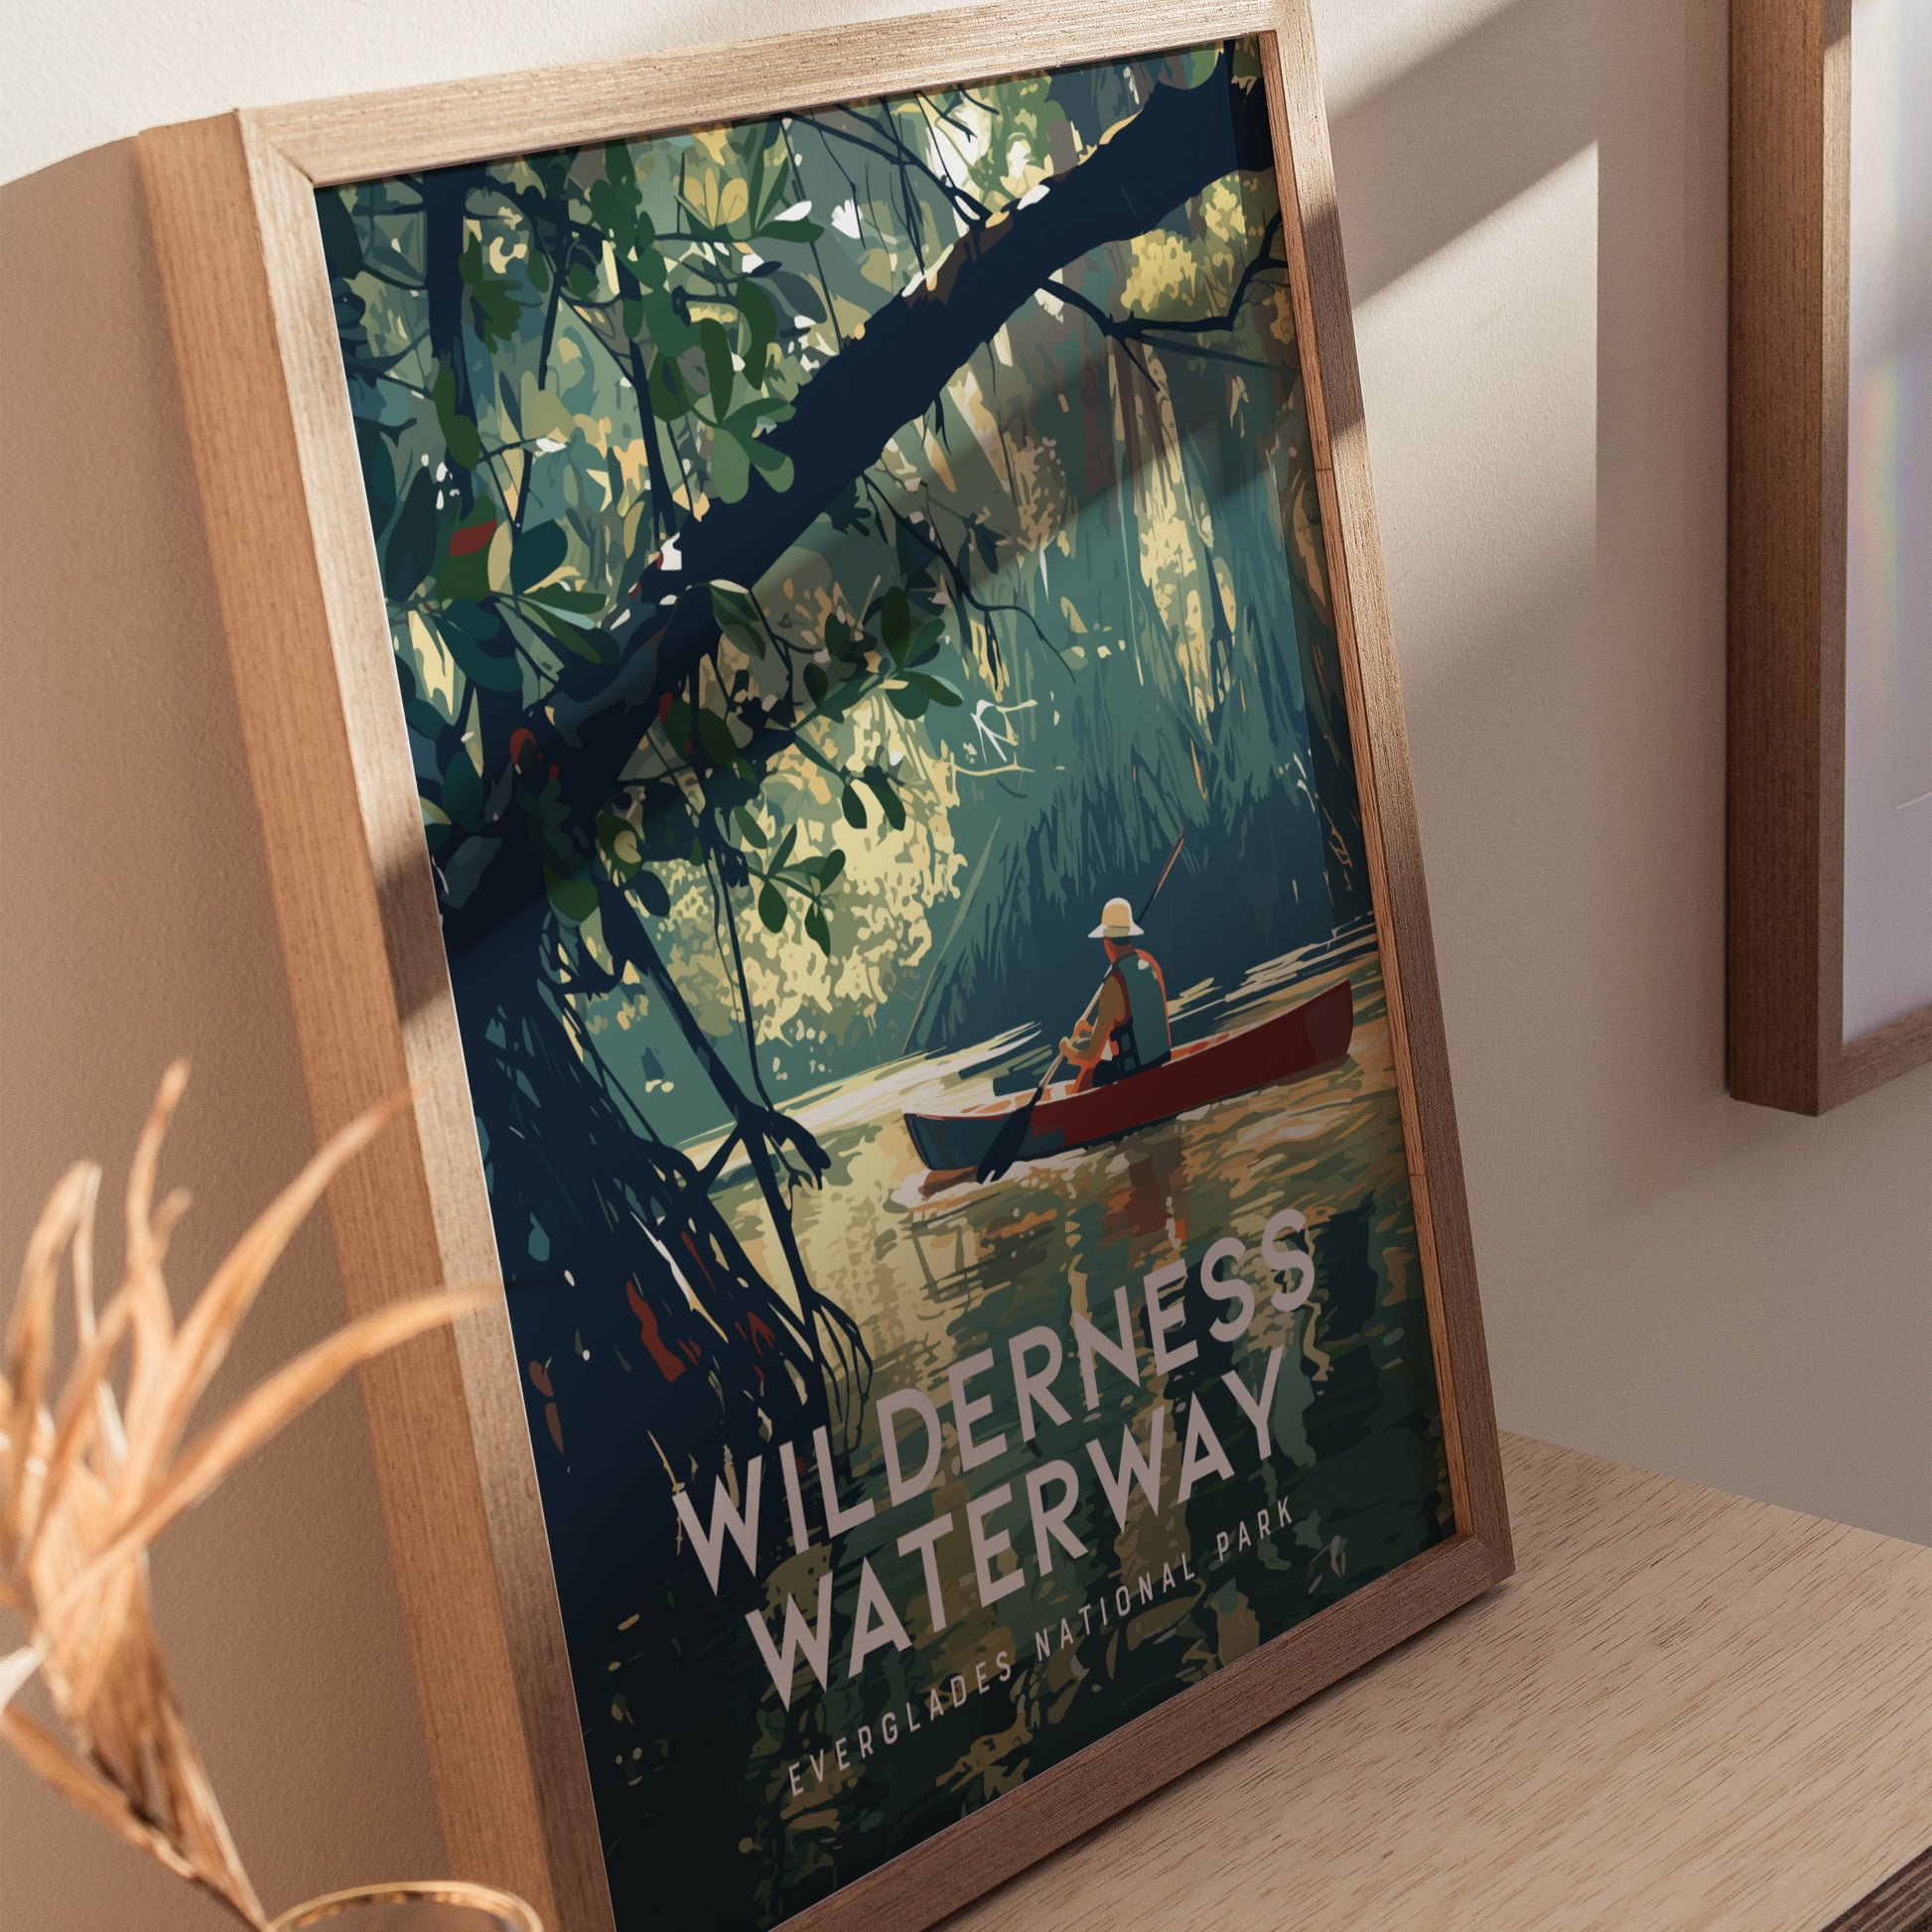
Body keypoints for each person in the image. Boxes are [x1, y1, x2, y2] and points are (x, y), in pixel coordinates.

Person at [1060, 897, 1172, 1091]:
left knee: (1088, 1074)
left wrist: (1067, 1049)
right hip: (1159, 1061)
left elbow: (1090, 1056)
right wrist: (1086, 1030)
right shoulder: (1150, 963)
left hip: (1136, 1072)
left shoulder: (1114, 983)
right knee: (1100, 1053)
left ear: (1107, 941)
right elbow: (1137, 1017)